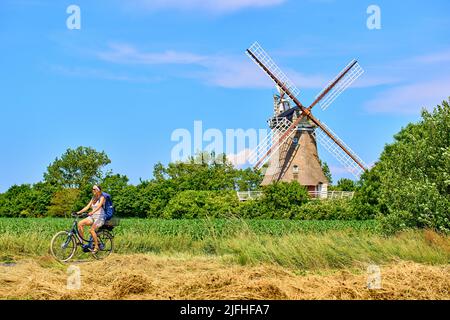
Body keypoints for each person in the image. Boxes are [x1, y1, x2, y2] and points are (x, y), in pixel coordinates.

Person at [76, 185, 106, 253]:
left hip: (100, 217)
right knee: (80, 223)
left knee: (91, 230)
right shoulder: (93, 198)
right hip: (93, 217)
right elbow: (87, 207)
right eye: (92, 189)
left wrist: (92, 212)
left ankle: (96, 246)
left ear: (98, 190)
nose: (93, 190)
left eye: (94, 189)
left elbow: (99, 206)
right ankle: (81, 241)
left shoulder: (102, 197)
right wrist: (78, 212)